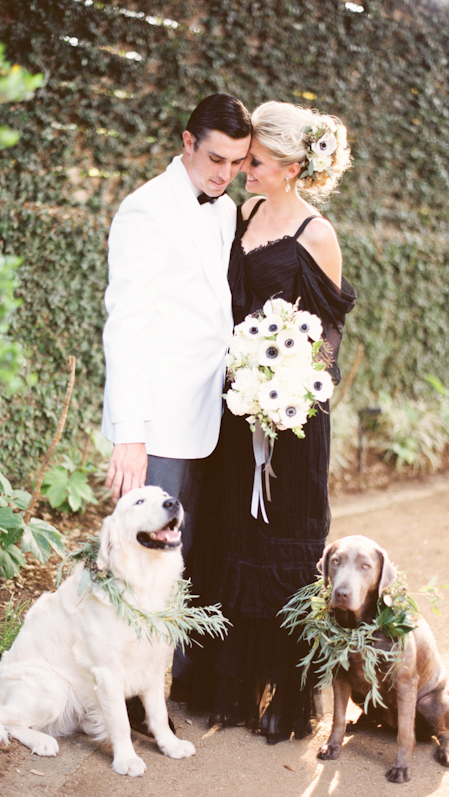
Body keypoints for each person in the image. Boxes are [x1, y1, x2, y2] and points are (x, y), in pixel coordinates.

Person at [187, 101, 357, 743]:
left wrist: (289, 386)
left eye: (254, 161)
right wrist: (244, 384)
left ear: (289, 167)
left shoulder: (317, 233)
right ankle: (225, 687)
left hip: (290, 421)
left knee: (282, 550)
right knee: (231, 538)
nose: (242, 169)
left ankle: (286, 701)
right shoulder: (244, 213)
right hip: (236, 412)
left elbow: (329, 333)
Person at [101, 94, 252, 711]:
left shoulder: (225, 211)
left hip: (210, 411)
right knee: (142, 567)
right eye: (216, 158)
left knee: (190, 556)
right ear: (187, 142)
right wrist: (130, 431)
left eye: (238, 163)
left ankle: (181, 686)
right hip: (158, 420)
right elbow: (126, 323)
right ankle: (128, 699)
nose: (224, 174)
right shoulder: (144, 211)